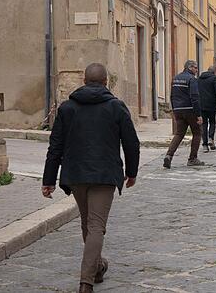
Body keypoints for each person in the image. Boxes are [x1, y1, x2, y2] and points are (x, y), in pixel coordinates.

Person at [42, 63, 140, 293]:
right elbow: (131, 142)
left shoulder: (67, 108)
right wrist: (131, 172)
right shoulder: (116, 107)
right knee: (96, 226)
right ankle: (86, 282)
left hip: (76, 174)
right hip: (104, 175)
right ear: (106, 82)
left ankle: (98, 267)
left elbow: (55, 146)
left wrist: (48, 179)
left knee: (89, 223)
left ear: (84, 81)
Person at [163, 60, 204, 168]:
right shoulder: (192, 79)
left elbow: (172, 96)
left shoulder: (175, 78)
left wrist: (174, 109)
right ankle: (192, 158)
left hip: (178, 110)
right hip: (190, 110)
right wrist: (198, 114)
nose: (197, 70)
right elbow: (195, 97)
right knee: (197, 132)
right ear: (190, 68)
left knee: (179, 134)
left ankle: (169, 155)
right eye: (195, 67)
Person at [198, 66, 216, 152]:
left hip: (201, 105)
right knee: (212, 122)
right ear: (214, 72)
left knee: (204, 124)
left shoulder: (199, 79)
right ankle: (210, 138)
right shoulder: (214, 79)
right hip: (211, 104)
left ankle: (204, 145)